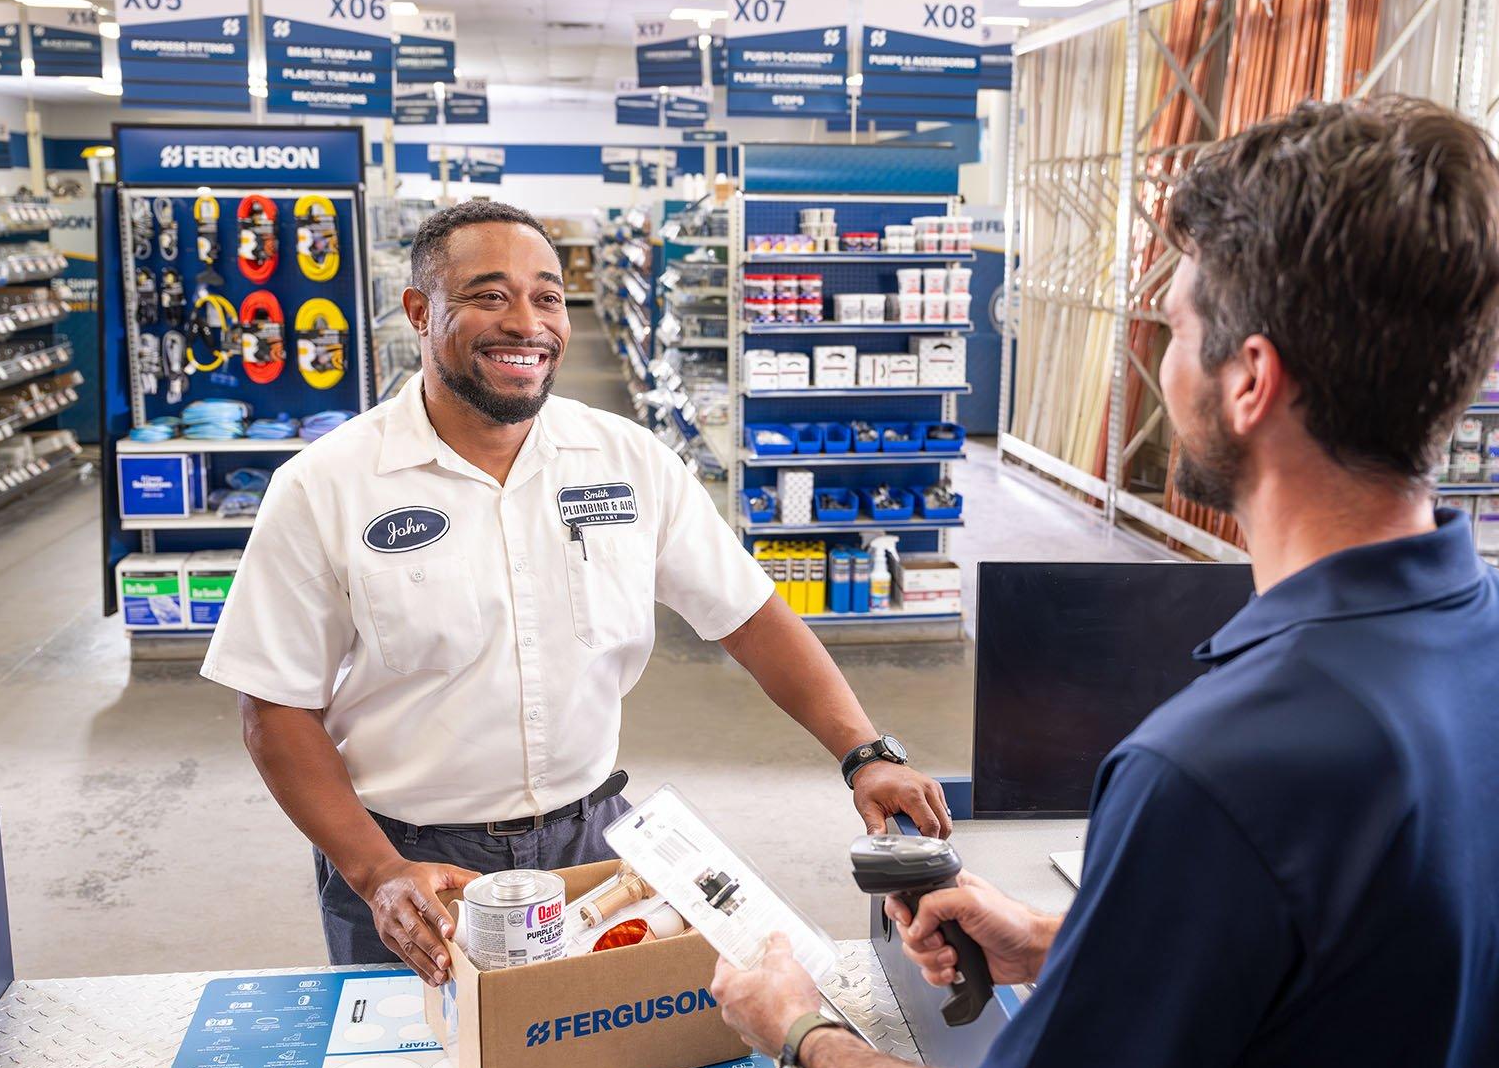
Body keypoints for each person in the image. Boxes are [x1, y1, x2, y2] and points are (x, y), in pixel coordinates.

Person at [712, 97, 1499, 1068]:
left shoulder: (1219, 767)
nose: (1162, 355)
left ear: (1250, 381)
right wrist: (1072, 943)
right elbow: (1359, 976)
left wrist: (804, 1030)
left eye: (1175, 327)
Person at [202, 199, 950, 980]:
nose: (526, 323)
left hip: (594, 851)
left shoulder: (626, 460)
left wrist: (865, 755)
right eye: (488, 295)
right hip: (412, 868)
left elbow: (751, 616)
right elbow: (274, 707)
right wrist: (375, 872)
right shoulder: (325, 487)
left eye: (548, 296)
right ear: (420, 313)